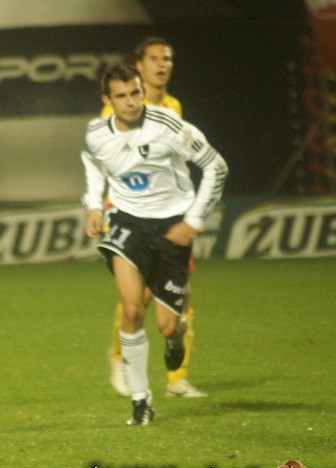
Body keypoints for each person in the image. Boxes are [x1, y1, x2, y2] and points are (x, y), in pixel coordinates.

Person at [82, 63, 227, 425]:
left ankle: (176, 339)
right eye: (121, 96)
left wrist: (193, 221)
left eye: (135, 93)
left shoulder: (169, 126)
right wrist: (94, 205)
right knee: (132, 310)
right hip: (127, 223)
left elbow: (216, 167)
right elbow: (93, 161)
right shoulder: (97, 133)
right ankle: (140, 399)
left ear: (142, 92)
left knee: (167, 326)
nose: (131, 102)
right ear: (107, 100)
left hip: (171, 228)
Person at [100, 37, 205, 399]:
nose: (163, 64)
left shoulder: (172, 107)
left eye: (168, 58)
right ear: (140, 66)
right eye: (155, 58)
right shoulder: (116, 110)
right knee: (139, 299)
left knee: (180, 295)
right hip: (130, 215)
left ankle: (177, 379)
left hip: (170, 215)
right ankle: (120, 357)